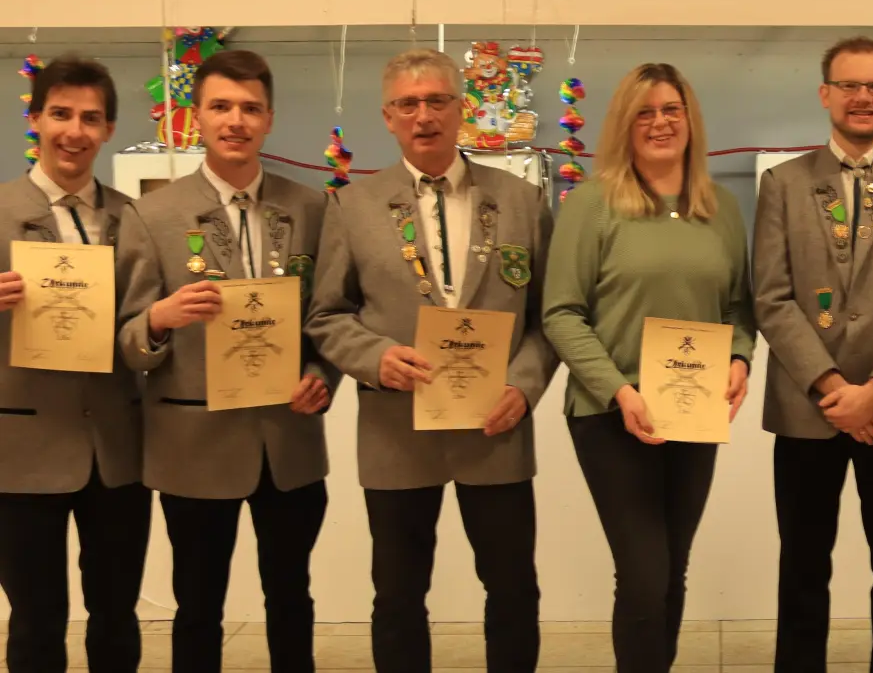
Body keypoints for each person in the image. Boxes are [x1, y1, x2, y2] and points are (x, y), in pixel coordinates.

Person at [304, 48, 555, 673]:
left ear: (460, 108)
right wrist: (375, 358)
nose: (424, 116)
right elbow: (327, 315)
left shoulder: (522, 201)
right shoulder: (352, 206)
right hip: (396, 430)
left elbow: (549, 316)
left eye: (437, 100)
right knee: (397, 595)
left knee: (513, 589)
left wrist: (523, 387)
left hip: (495, 428)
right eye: (408, 104)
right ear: (388, 117)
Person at [115, 49, 335, 673]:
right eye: (220, 107)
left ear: (269, 119)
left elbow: (332, 315)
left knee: (291, 597)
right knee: (198, 605)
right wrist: (160, 318)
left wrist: (322, 375)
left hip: (288, 441)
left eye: (250, 108)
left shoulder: (312, 208)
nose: (235, 120)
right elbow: (126, 339)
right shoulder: (151, 213)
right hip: (194, 444)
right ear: (197, 117)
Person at [543, 62, 756, 673]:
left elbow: (738, 307)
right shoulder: (593, 204)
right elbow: (561, 313)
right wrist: (619, 391)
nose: (660, 123)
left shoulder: (721, 209)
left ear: (690, 119)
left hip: (694, 412)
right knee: (642, 573)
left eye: (671, 110)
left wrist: (739, 357)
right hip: (612, 414)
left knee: (671, 569)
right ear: (624, 124)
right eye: (644, 112)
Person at [752, 37, 873, 672]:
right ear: (825, 94)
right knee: (803, 566)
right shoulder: (782, 184)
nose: (862, 97)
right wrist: (834, 387)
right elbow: (771, 297)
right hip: (807, 407)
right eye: (848, 85)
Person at [0, 57, 148, 673]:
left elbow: (143, 323)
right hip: (21, 450)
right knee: (36, 619)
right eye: (60, 114)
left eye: (90, 118)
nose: (74, 131)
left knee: (116, 614)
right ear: (34, 119)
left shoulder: (133, 217)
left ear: (108, 129)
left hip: (117, 447)